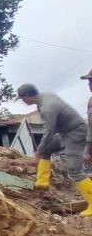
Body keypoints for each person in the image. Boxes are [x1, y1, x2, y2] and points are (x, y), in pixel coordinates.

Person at [17, 83, 92, 216]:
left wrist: (37, 155)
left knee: (74, 170)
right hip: (65, 132)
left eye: (22, 98)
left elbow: (48, 132)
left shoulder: (47, 107)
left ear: (28, 95)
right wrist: (42, 151)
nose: (23, 101)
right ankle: (42, 181)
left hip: (76, 132)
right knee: (48, 147)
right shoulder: (45, 97)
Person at [82, 68, 92, 165]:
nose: (89, 84)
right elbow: (90, 127)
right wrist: (87, 151)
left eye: (91, 81)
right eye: (89, 81)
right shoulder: (90, 101)